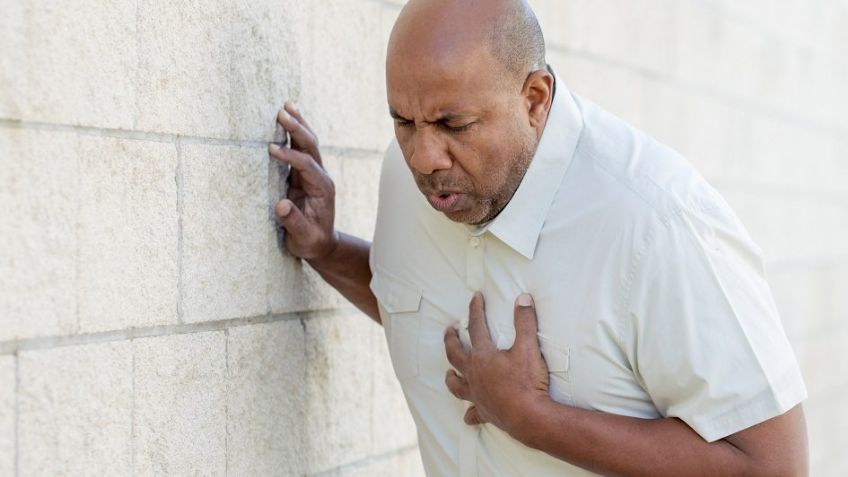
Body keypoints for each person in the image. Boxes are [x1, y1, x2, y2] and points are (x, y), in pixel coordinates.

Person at [268, 0, 809, 475]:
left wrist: (535, 419)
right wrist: (328, 249)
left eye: (454, 125)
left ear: (534, 98)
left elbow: (773, 466)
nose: (424, 158)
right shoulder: (416, 180)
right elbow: (419, 300)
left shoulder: (660, 224)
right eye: (403, 122)